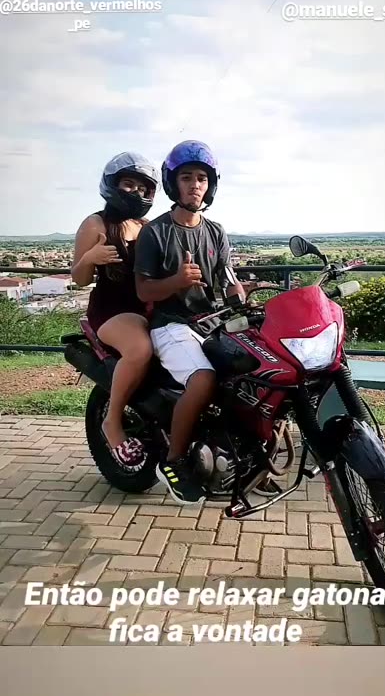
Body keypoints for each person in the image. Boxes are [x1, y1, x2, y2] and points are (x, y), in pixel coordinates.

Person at [134, 140, 277, 505]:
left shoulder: (215, 231)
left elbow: (227, 279)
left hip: (214, 322)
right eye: (186, 177)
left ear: (210, 185)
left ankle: (251, 457)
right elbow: (144, 290)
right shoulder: (156, 232)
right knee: (203, 380)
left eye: (201, 178)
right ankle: (174, 461)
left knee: (264, 371)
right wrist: (176, 282)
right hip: (171, 325)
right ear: (173, 183)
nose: (195, 185)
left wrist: (239, 294)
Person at [71, 152, 159, 471]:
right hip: (112, 310)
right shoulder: (95, 223)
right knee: (140, 349)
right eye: (128, 184)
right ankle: (112, 422)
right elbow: (79, 278)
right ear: (112, 185)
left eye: (143, 187)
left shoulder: (146, 226)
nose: (136, 192)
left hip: (148, 305)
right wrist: (91, 257)